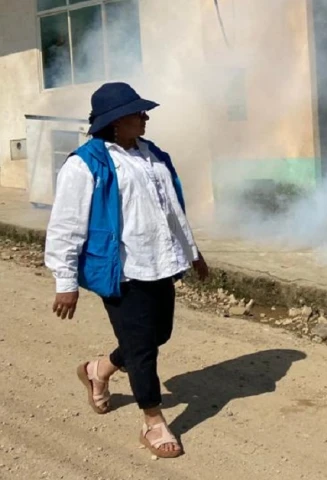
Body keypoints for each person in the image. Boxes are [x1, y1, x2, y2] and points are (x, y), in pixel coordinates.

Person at [44, 82, 209, 458]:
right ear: (116, 121)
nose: (146, 117)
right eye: (138, 113)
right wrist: (65, 281)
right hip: (122, 270)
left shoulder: (154, 156)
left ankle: (99, 369)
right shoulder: (85, 164)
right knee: (142, 350)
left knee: (159, 334)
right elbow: (66, 226)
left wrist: (192, 252)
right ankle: (153, 421)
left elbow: (172, 209)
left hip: (159, 263)